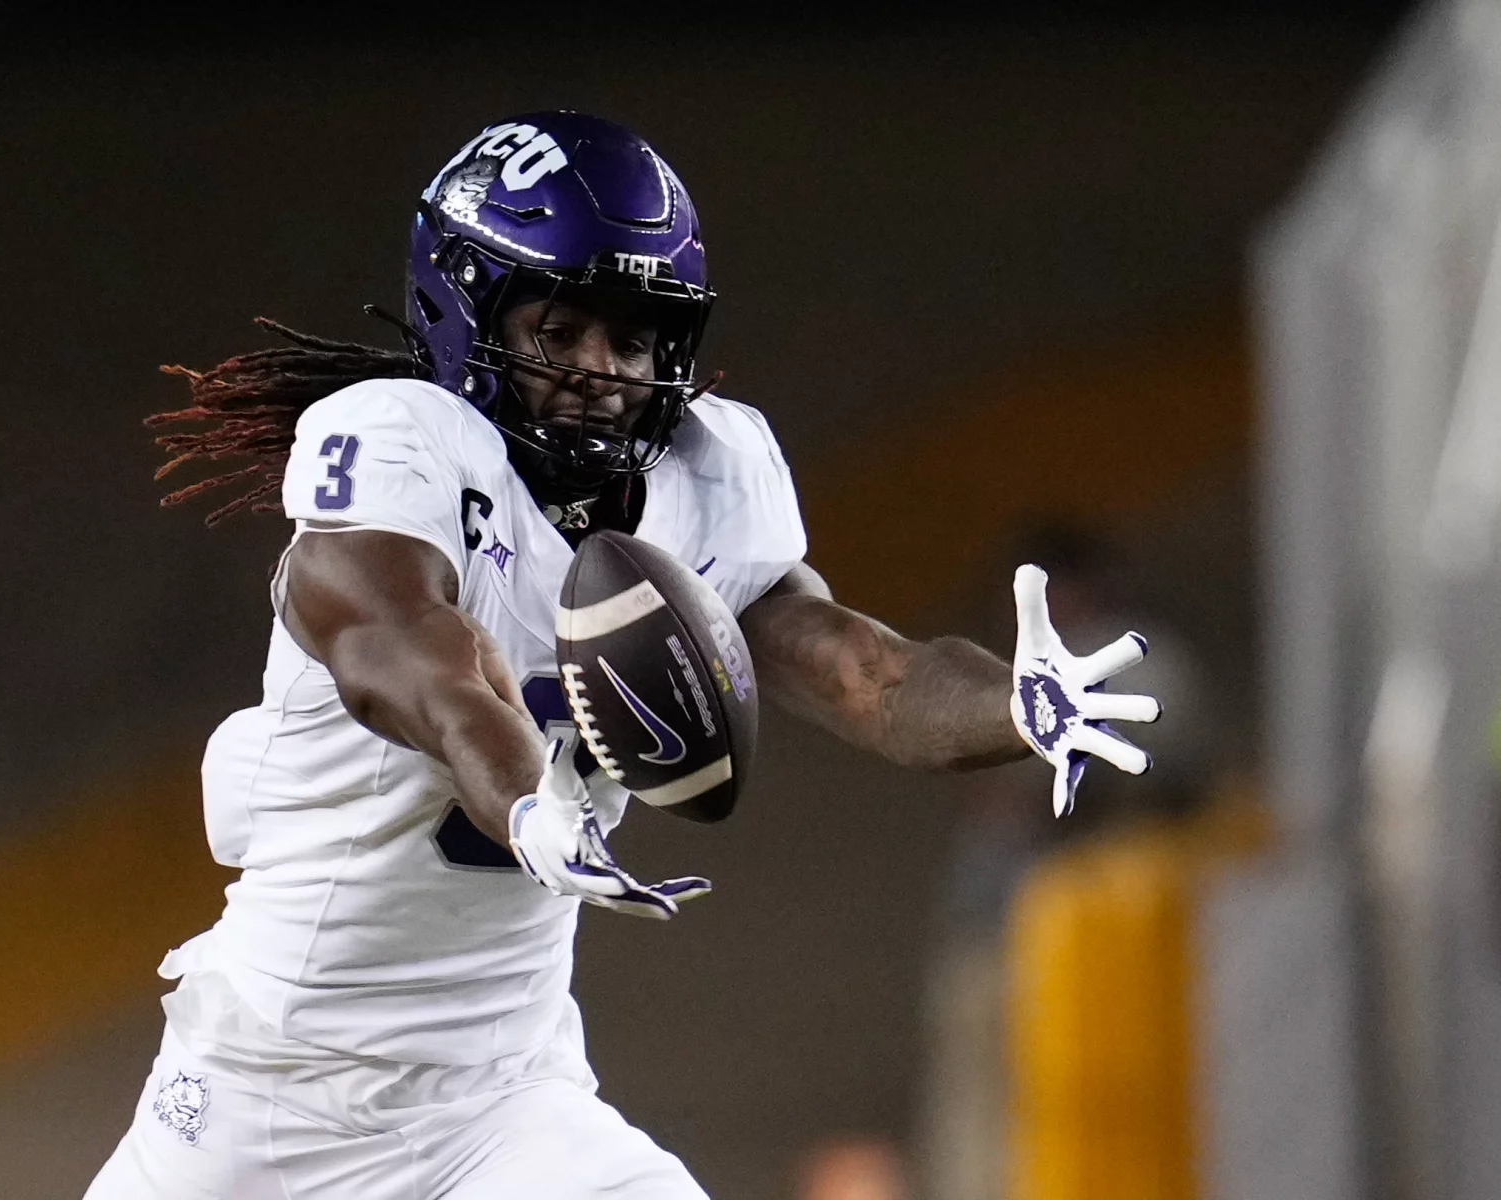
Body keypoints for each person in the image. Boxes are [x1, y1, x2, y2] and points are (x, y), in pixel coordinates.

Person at [86, 112, 1162, 1200]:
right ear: (463, 315)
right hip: (272, 1089)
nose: (603, 371)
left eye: (634, 339)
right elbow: (413, 659)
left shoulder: (707, 476)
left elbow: (865, 672)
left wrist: (1011, 707)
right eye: (561, 331)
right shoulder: (397, 446)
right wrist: (522, 801)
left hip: (501, 1102)